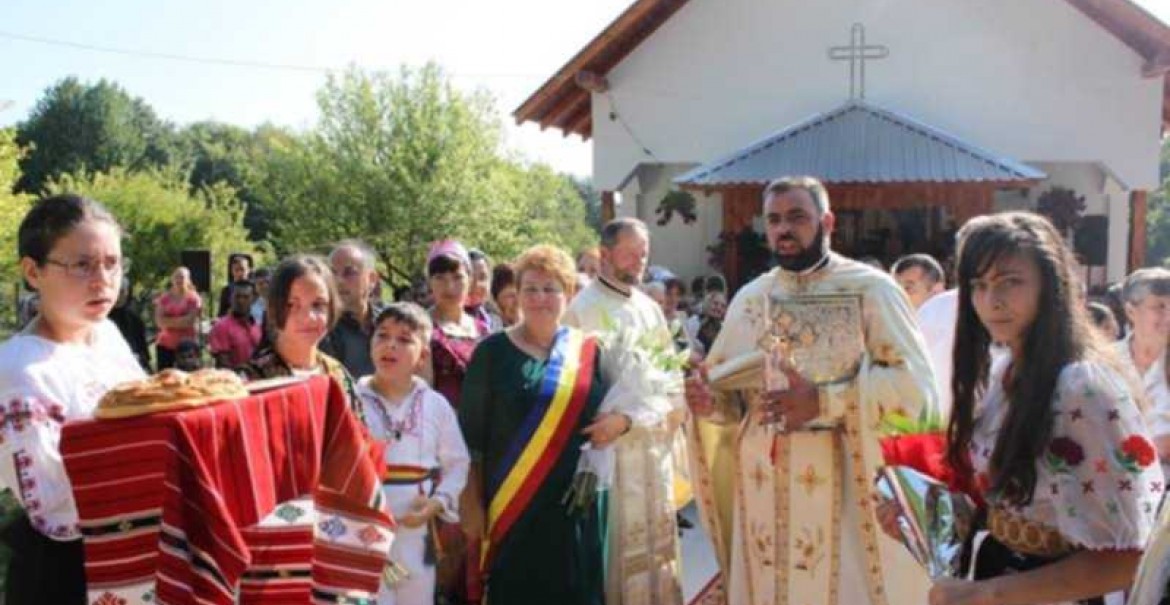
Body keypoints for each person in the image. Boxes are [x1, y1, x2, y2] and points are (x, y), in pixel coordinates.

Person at [683, 176, 938, 605]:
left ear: (827, 222)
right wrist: (710, 403)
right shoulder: (751, 298)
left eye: (797, 217)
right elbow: (728, 394)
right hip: (764, 486)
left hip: (848, 489)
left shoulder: (872, 290)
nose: (784, 229)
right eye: (774, 220)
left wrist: (826, 402)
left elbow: (916, 390)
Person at [885, 212, 1161, 605]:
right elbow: (1009, 510)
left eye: (1010, 282)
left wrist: (991, 594)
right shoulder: (1005, 371)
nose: (991, 301)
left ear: (1050, 286)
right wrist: (920, 520)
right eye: (979, 285)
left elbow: (1126, 556)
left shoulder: (1080, 387)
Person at [0, 194, 146, 604]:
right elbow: (56, 508)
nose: (103, 280)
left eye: (112, 263)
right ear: (33, 272)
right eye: (82, 265)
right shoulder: (22, 368)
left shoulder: (107, 336)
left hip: (136, 551)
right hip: (67, 570)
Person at [459, 245, 610, 605]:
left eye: (550, 288)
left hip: (575, 505)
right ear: (516, 293)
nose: (540, 298)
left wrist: (623, 419)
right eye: (530, 288)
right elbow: (469, 438)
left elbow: (609, 412)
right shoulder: (491, 352)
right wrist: (471, 502)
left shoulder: (589, 353)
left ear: (568, 294)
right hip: (514, 503)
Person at [563, 218, 686, 604]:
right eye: (630, 253)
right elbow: (570, 394)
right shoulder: (580, 311)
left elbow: (673, 387)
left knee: (658, 557)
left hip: (651, 453)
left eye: (643, 254)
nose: (639, 262)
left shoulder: (651, 310)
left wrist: (634, 419)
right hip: (609, 460)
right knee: (615, 561)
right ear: (604, 254)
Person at [355, 303, 470, 605]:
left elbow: (458, 463)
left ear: (423, 356)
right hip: (364, 532)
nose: (390, 344)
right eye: (382, 335)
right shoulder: (352, 401)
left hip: (415, 535)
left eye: (404, 339)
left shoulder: (436, 405)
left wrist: (437, 503)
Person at [422, 239, 490, 604]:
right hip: (443, 453)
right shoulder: (423, 329)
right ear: (429, 283)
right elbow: (421, 395)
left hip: (485, 448)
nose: (450, 286)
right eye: (440, 277)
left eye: (457, 276)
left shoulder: (483, 328)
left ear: (470, 279)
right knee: (448, 549)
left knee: (482, 541)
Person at [1117, 268, 1170, 463]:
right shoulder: (1106, 362)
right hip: (1114, 474)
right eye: (1159, 306)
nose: (1169, 315)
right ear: (1131, 311)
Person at [321, 240, 381, 378]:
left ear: (372, 279)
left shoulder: (387, 322)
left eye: (349, 272)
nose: (339, 281)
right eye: (333, 273)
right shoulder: (322, 329)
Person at [153, 266, 202, 370]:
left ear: (188, 280)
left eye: (182, 277)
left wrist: (168, 321)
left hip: (186, 347)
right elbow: (159, 321)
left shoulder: (193, 298)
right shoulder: (164, 298)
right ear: (172, 279)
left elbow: (189, 322)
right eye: (176, 277)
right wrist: (181, 320)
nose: (179, 280)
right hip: (165, 345)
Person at [207, 279, 262, 369]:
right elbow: (223, 366)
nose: (241, 301)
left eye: (246, 297)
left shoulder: (257, 326)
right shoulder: (221, 327)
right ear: (231, 298)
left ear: (253, 299)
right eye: (237, 296)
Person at [108, 277, 152, 371]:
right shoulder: (99, 320)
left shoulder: (135, 320)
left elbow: (143, 351)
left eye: (123, 291)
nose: (120, 295)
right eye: (117, 291)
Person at [467, 249, 502, 332]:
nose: (476, 285)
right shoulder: (447, 321)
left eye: (482, 277)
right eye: (470, 277)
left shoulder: (495, 321)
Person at [216, 252, 252, 317]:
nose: (240, 273)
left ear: (248, 270)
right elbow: (221, 315)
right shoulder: (226, 291)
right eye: (236, 270)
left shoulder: (255, 289)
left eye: (242, 269)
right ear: (232, 271)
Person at [491, 263, 520, 328]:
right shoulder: (488, 327)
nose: (517, 301)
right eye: (511, 295)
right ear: (495, 299)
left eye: (520, 294)